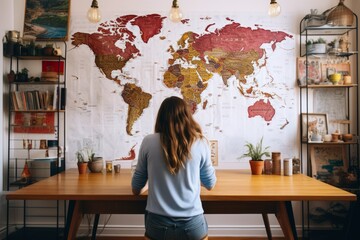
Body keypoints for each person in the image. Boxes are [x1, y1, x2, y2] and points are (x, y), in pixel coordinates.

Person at [132, 96, 217, 240]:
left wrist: (150, 184)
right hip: (193, 226)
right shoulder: (201, 142)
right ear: (187, 116)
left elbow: (136, 188)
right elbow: (210, 184)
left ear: (161, 117)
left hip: (157, 226)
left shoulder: (148, 142)